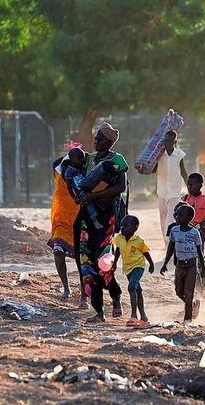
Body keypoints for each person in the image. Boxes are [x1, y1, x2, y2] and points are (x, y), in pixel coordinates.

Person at [73, 122, 129, 323]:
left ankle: (115, 297)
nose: (96, 141)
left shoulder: (117, 160)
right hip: (87, 216)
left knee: (104, 261)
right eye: (96, 138)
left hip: (106, 216)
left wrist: (94, 197)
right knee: (86, 262)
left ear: (110, 142)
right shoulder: (89, 159)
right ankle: (98, 311)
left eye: (100, 139)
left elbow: (120, 187)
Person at [160, 204, 205, 325]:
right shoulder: (174, 230)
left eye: (180, 215)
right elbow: (170, 248)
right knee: (178, 290)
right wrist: (165, 263)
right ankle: (191, 304)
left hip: (192, 265)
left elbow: (199, 251)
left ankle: (187, 319)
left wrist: (203, 268)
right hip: (179, 265)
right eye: (176, 214)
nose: (177, 217)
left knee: (189, 292)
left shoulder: (195, 233)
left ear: (189, 217)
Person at [47, 150, 82, 302]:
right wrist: (69, 154)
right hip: (62, 224)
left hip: (80, 223)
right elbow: (56, 163)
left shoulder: (83, 178)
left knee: (82, 261)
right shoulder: (60, 176)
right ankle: (66, 287)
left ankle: (84, 293)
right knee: (58, 254)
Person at [112, 215, 154, 329]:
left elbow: (146, 253)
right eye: (121, 225)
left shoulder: (139, 241)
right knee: (138, 290)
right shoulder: (119, 238)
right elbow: (118, 250)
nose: (122, 228)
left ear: (135, 228)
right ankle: (144, 316)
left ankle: (134, 315)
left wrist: (151, 263)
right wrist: (115, 263)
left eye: (126, 226)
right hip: (127, 268)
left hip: (138, 266)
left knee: (131, 287)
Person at [156, 130, 187, 246]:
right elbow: (153, 169)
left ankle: (171, 243)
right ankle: (166, 245)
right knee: (163, 219)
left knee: (171, 218)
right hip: (162, 191)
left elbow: (183, 171)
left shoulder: (179, 154)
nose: (167, 143)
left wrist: (189, 186)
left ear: (175, 142)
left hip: (174, 191)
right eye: (166, 141)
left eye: (170, 141)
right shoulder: (159, 155)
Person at [63, 147, 104, 229]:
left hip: (89, 188)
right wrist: (73, 196)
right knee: (89, 203)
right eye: (79, 158)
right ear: (71, 160)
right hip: (81, 192)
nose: (82, 160)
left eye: (83, 157)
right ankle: (94, 219)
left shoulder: (83, 167)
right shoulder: (69, 171)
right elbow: (69, 185)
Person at [181, 173, 205, 250]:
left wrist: (204, 222)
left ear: (200, 186)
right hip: (186, 230)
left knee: (199, 251)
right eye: (188, 185)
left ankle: (201, 261)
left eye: (192, 185)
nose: (189, 187)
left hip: (200, 230)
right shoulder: (185, 199)